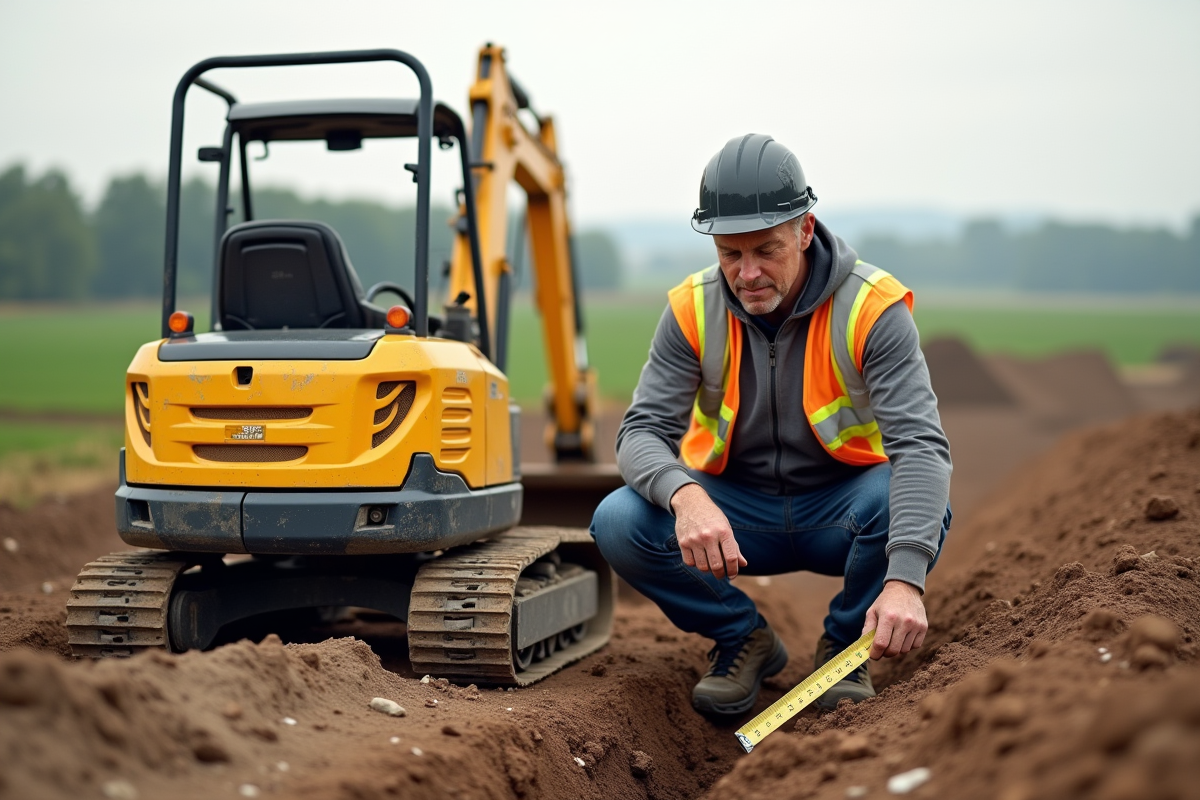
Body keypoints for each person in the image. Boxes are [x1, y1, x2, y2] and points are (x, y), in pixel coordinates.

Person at [589, 134, 952, 717]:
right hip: (737, 517)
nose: (747, 272)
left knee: (902, 500)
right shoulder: (691, 308)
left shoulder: (871, 308)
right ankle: (743, 638)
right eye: (730, 254)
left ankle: (843, 647)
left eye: (766, 250)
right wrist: (685, 496)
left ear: (805, 230)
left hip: (842, 511)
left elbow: (921, 447)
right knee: (619, 521)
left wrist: (906, 579)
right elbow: (640, 431)